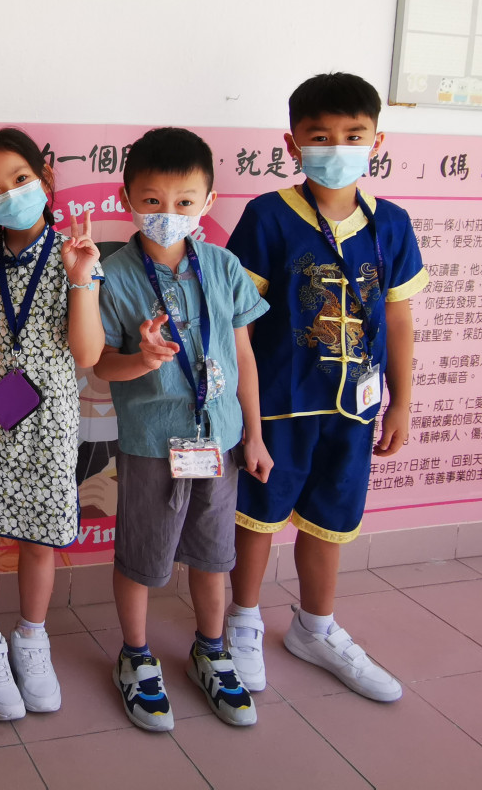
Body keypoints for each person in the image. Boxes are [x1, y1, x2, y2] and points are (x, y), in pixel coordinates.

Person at [224, 73, 428, 702]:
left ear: (377, 141)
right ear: (293, 144)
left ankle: (315, 628)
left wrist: (402, 401)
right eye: (320, 136)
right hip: (279, 406)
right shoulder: (267, 216)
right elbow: (236, 318)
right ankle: (243, 621)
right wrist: (241, 413)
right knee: (259, 514)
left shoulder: (390, 224)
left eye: (353, 135)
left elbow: (398, 316)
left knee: (330, 514)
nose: (337, 147)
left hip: (354, 408)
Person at [93, 128, 271, 732]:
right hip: (151, 443)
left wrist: (254, 434)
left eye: (184, 201)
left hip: (219, 441)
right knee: (142, 554)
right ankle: (136, 655)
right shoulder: (113, 275)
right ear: (127, 198)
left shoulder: (223, 266)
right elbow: (100, 365)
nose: (167, 214)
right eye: (151, 200)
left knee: (215, 554)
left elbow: (243, 355)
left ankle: (211, 650)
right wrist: (141, 360)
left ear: (208, 202)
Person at [0, 128, 104, 721]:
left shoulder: (76, 254)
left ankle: (32, 640)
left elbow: (87, 353)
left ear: (45, 178)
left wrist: (81, 277)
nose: (8, 194)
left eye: (19, 179)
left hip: (51, 424)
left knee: (40, 539)